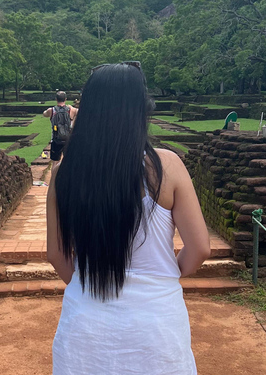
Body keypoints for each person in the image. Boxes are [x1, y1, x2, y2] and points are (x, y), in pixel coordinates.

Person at [47, 62, 211, 374]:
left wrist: (86, 282)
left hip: (85, 327)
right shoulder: (166, 166)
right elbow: (200, 247)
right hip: (156, 325)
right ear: (140, 109)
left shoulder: (63, 173)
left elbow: (56, 254)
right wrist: (163, 275)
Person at [43, 91, 78, 162]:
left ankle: (54, 173)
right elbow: (80, 112)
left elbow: (44, 114)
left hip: (56, 140)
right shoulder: (71, 110)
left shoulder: (51, 110)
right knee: (69, 161)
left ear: (56, 99)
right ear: (65, 99)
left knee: (55, 162)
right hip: (68, 140)